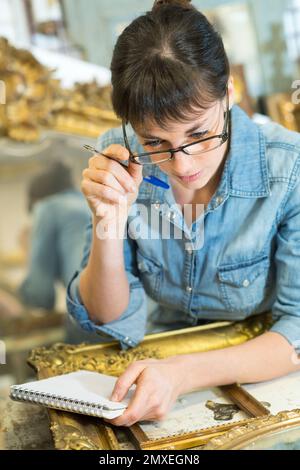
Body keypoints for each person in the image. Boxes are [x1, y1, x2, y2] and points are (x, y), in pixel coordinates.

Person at [66, 0, 300, 426]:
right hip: (152, 374)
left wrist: (183, 374)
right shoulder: (119, 161)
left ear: (229, 93)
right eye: (155, 142)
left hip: (264, 374)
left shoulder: (289, 169)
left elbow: (298, 331)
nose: (185, 165)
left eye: (200, 133)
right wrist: (108, 221)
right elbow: (107, 317)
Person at [19, 161, 98, 343]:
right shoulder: (87, 203)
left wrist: (27, 248)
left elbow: (40, 296)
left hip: (92, 322)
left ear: (35, 200)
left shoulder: (48, 207)